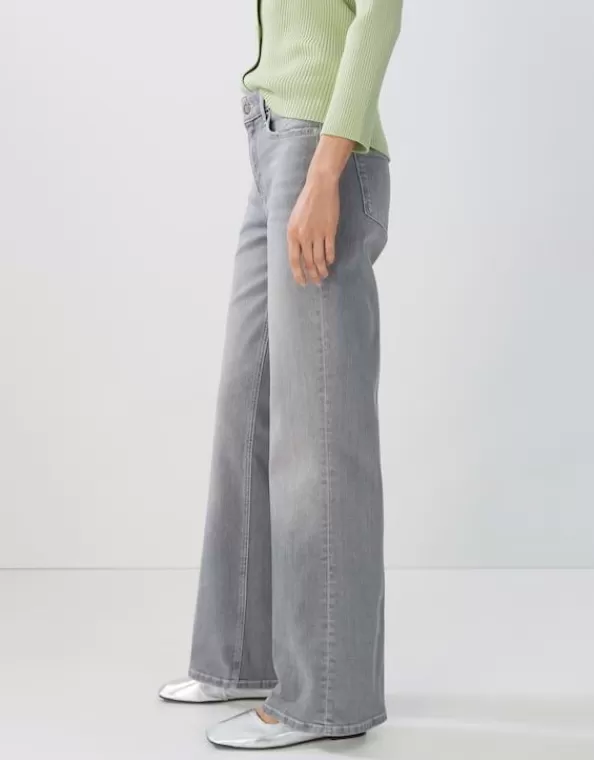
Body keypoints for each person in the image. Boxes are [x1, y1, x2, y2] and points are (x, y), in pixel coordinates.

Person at [159, 0, 403, 750]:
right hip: (268, 142)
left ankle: (325, 695)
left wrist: (327, 168)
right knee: (248, 407)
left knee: (319, 435)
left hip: (321, 147)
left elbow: (379, 15)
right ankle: (242, 656)